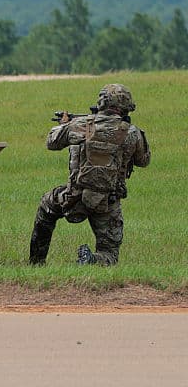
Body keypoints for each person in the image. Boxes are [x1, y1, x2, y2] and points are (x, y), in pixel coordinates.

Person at [29, 84, 150, 266]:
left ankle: (36, 262)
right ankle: (91, 260)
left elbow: (51, 142)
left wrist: (64, 125)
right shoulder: (132, 133)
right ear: (124, 106)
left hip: (72, 198)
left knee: (46, 206)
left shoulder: (81, 125)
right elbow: (144, 161)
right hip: (107, 202)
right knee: (109, 253)